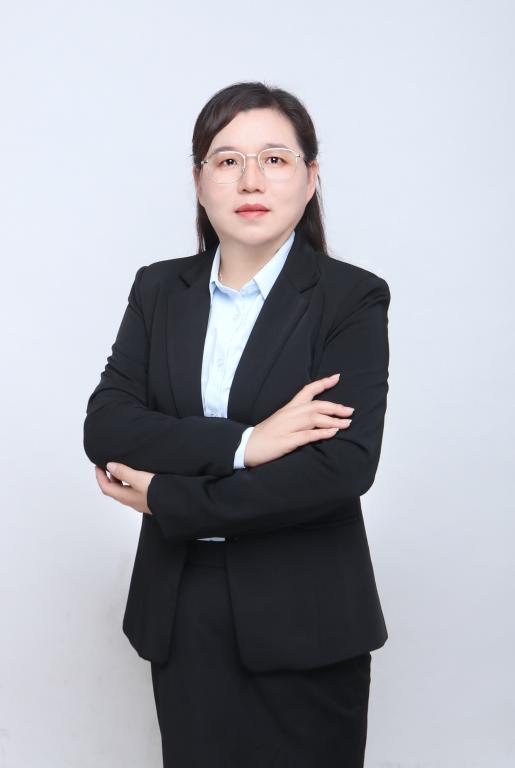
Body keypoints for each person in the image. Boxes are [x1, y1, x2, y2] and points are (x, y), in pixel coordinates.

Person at [83, 80, 391, 768]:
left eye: (275, 159)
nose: (250, 180)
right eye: (227, 161)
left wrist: (169, 498)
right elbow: (108, 428)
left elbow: (339, 468)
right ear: (199, 181)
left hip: (306, 615)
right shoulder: (159, 289)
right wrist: (249, 444)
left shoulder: (350, 298)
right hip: (181, 606)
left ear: (310, 178)